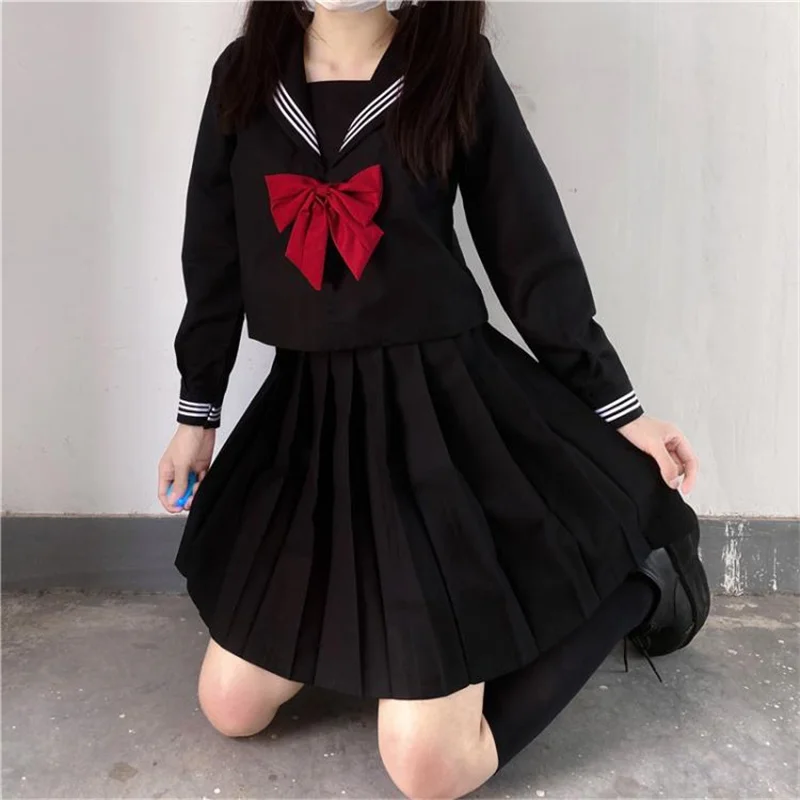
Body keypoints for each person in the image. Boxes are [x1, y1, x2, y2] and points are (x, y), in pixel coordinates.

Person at [157, 1, 711, 796]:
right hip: (306, 423)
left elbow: (531, 253)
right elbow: (212, 260)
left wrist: (619, 408)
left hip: (437, 420)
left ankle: (643, 576)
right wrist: (196, 414)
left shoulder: (456, 69)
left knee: (428, 768)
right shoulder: (243, 76)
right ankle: (392, 643)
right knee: (230, 706)